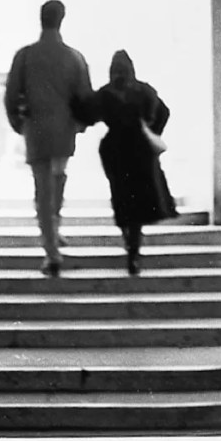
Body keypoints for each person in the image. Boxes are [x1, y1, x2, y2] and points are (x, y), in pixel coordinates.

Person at [4, 0, 93, 277]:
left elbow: (10, 95)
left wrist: (20, 124)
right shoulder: (74, 57)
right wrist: (78, 125)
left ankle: (51, 250)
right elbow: (85, 97)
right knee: (57, 178)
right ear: (62, 20)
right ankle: (54, 230)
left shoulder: (26, 55)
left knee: (42, 187)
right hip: (63, 129)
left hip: (37, 129)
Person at [77, 49, 178, 275]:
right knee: (138, 202)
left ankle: (129, 244)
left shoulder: (105, 94)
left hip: (115, 151)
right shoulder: (144, 90)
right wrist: (152, 130)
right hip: (140, 149)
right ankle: (134, 249)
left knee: (122, 198)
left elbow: (87, 114)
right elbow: (164, 112)